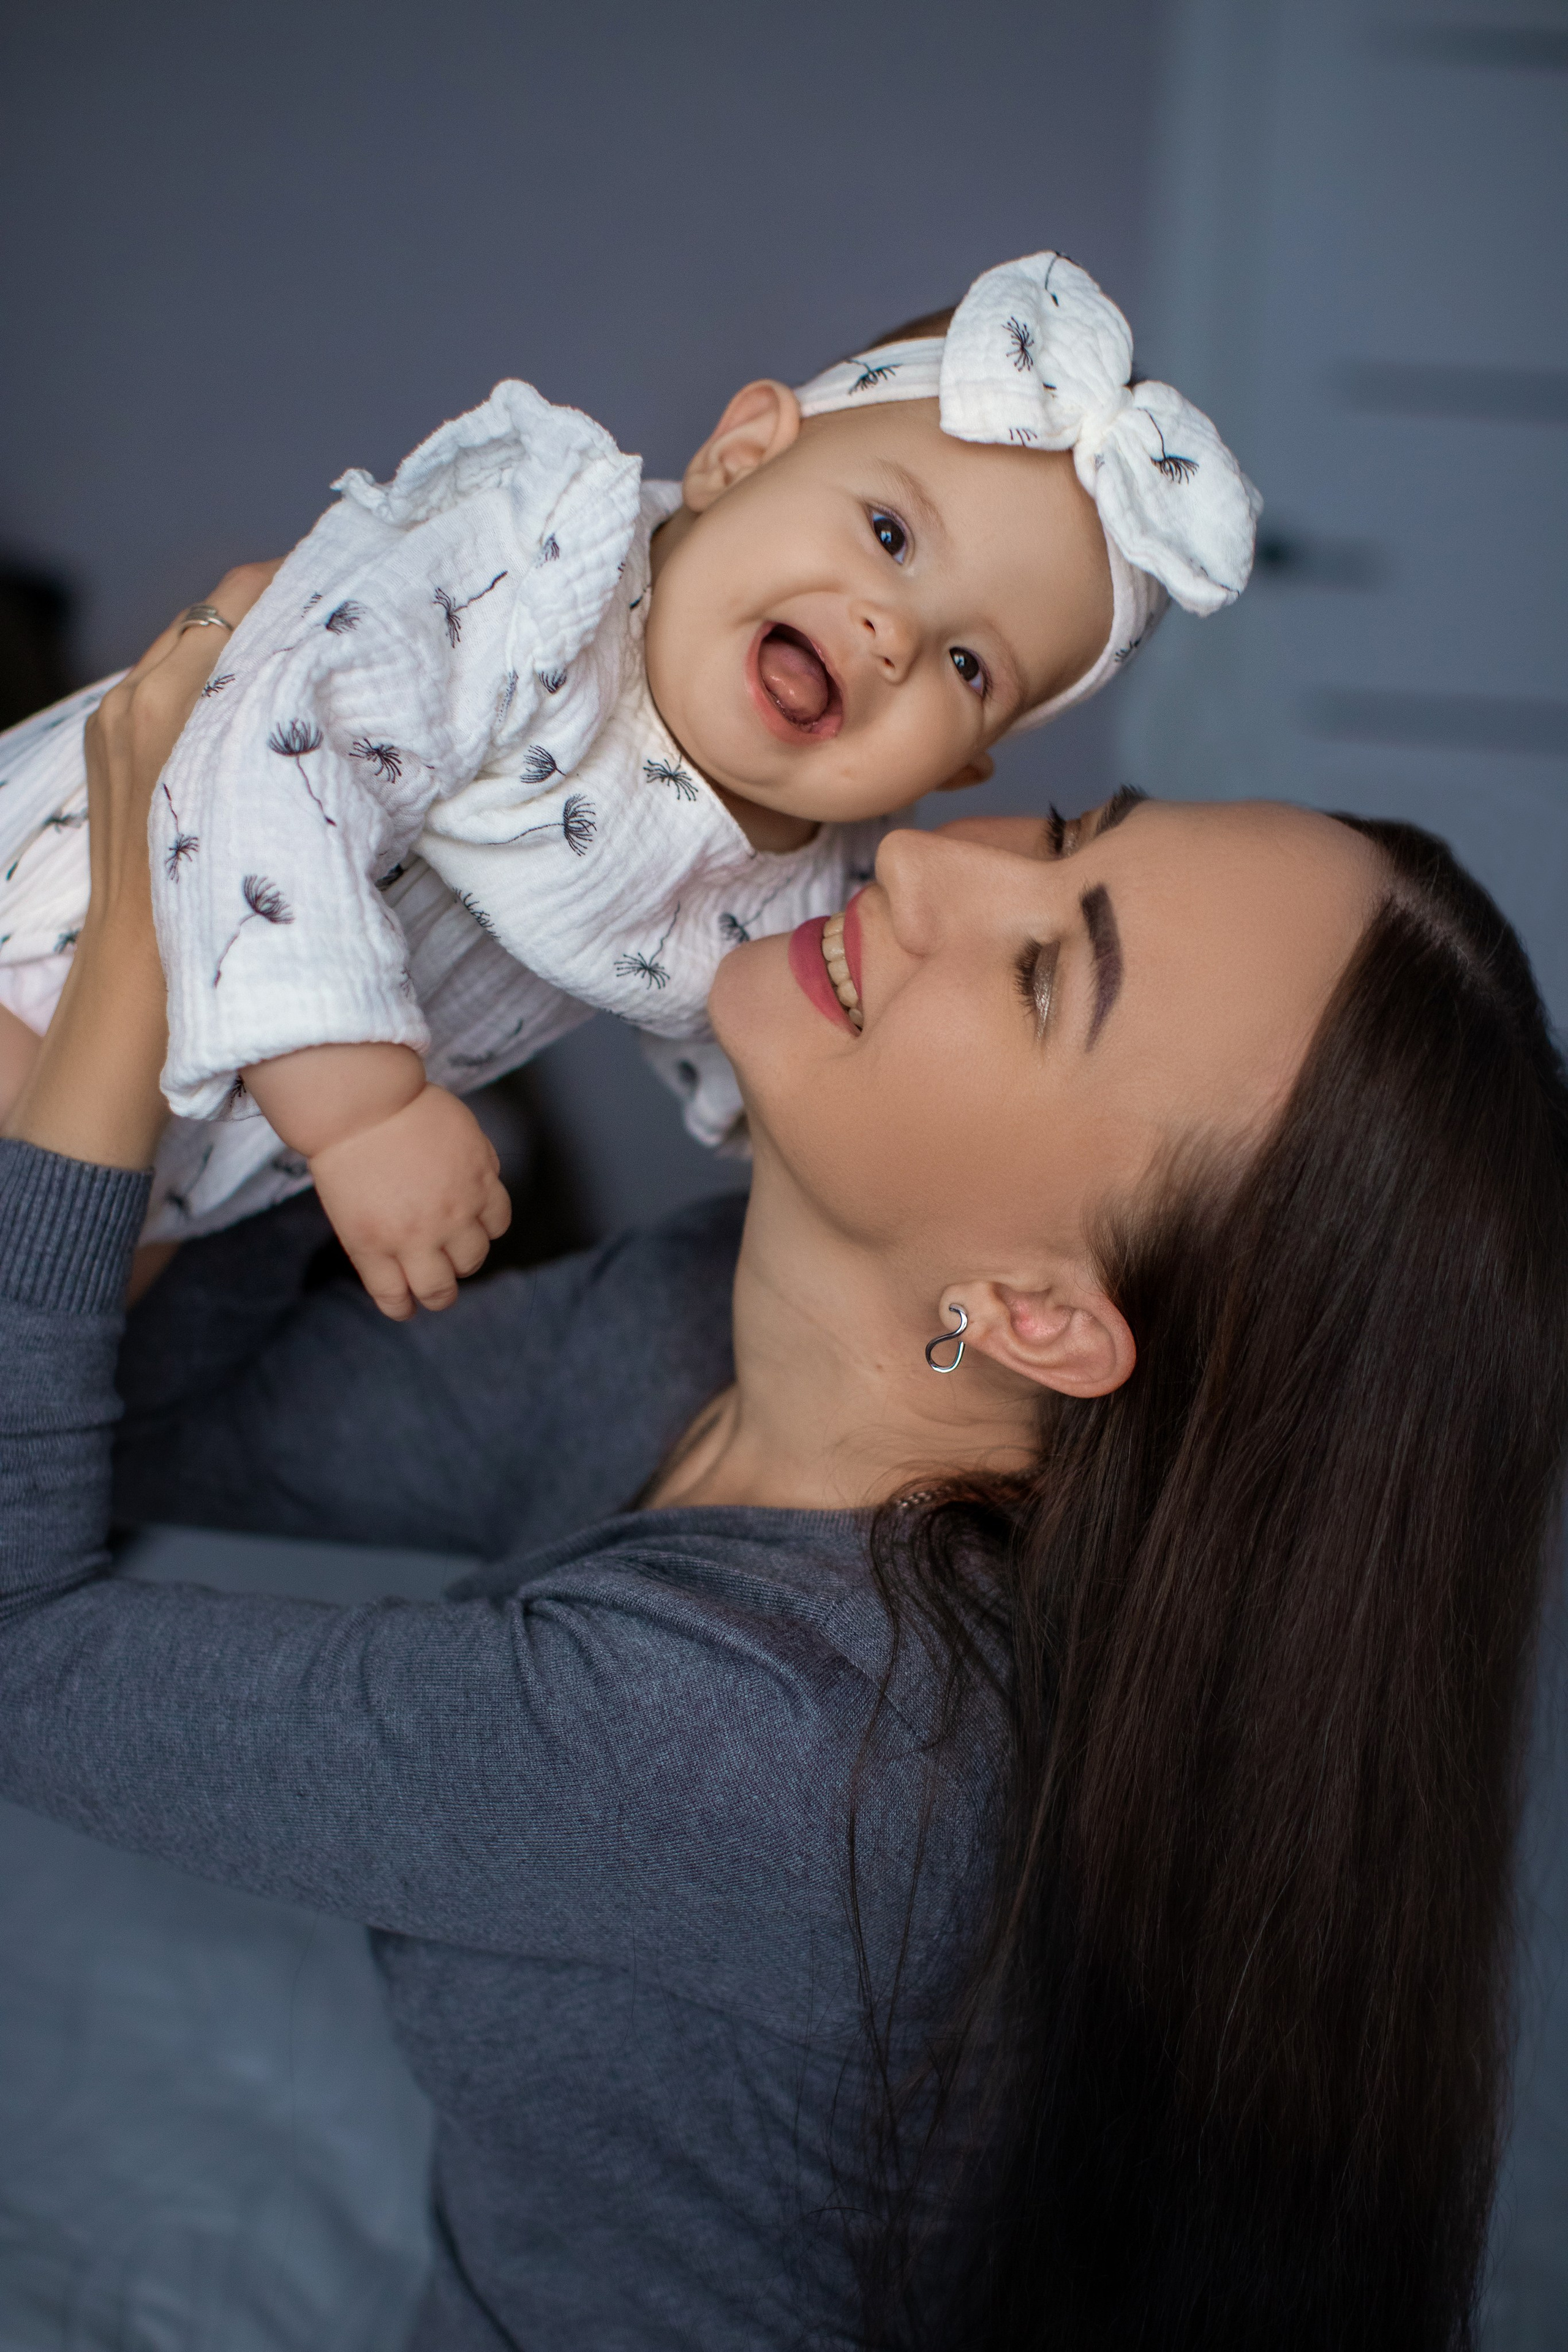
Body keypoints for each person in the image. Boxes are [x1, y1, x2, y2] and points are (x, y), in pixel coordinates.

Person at [3, 571, 1564, 2352]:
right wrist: (350, 956)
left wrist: (139, 975)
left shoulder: (776, 1748)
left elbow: (19, 1644)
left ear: (1037, 1316)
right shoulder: (695, 1324)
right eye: (1061, 827)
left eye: (1046, 972)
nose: (928, 861)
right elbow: (182, 1418)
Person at [0, 251, 1258, 1319]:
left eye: (970, 663)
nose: (893, 632)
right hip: (29, 963)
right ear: (737, 455)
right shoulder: (536, 571)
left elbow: (790, 1090)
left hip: (166, 1172)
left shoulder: (799, 880)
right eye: (887, 534)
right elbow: (272, 749)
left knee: (73, 1302)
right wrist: (364, 1114)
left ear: (961, 764)